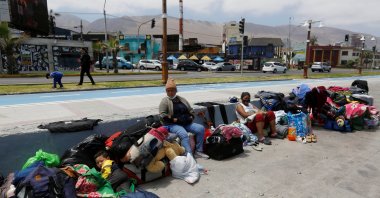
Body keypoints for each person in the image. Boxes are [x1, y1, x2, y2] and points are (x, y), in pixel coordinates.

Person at [159, 78, 209, 159]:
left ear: (176, 90)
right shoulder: (165, 101)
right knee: (183, 134)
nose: (170, 92)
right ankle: (189, 156)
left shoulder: (181, 99)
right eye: (168, 91)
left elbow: (191, 110)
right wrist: (175, 120)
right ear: (166, 92)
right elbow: (162, 115)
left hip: (185, 123)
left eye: (172, 90)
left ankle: (198, 151)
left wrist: (191, 117)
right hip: (172, 125)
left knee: (200, 128)